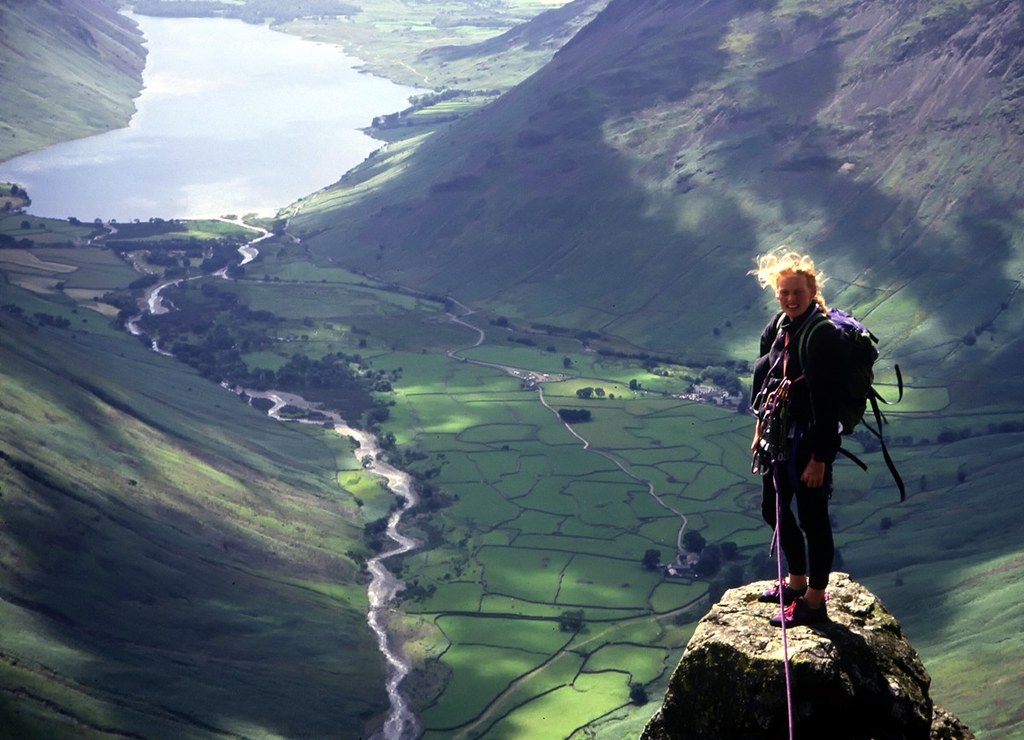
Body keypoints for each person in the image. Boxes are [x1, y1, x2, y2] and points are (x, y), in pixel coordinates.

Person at [749, 248, 841, 627]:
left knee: (813, 517)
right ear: (776, 292)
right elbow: (767, 382)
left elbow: (828, 403)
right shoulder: (779, 326)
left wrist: (820, 458)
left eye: (796, 292)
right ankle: (797, 581)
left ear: (811, 289)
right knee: (773, 508)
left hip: (808, 440)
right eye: (784, 291)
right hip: (780, 435)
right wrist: (759, 431)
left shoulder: (821, 335)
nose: (790, 298)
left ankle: (815, 600)